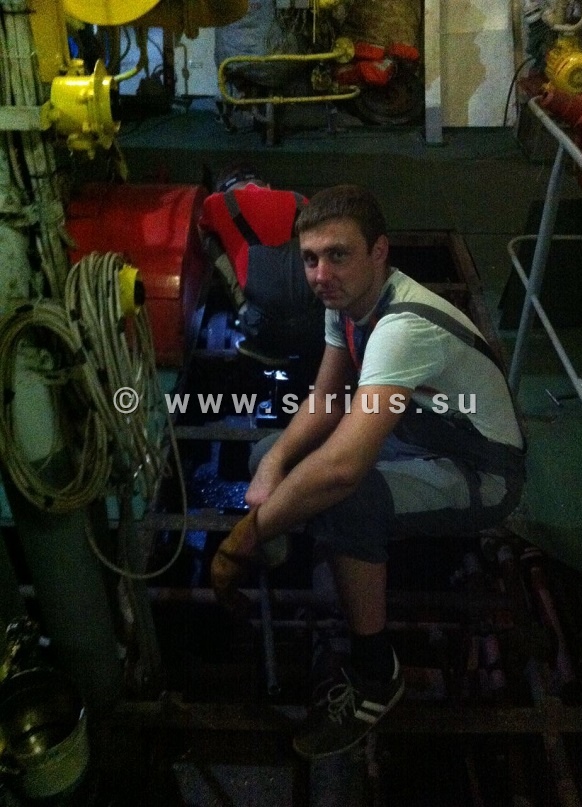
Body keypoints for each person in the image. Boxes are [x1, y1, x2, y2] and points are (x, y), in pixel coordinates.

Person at [211, 185, 526, 759]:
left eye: (338, 255)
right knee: (268, 455)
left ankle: (377, 675)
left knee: (344, 498)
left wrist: (239, 542)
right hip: (418, 432)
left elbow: (342, 469)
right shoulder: (348, 304)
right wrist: (274, 465)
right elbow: (327, 399)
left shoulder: (403, 327)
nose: (320, 275)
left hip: (479, 467)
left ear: (379, 251)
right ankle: (291, 538)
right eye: (310, 258)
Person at [198, 162, 323, 362]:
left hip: (263, 332)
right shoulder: (300, 200)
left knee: (208, 239)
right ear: (268, 186)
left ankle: (243, 306)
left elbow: (202, 227)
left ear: (223, 190)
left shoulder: (217, 202)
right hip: (317, 327)